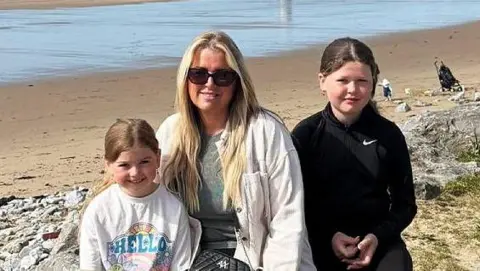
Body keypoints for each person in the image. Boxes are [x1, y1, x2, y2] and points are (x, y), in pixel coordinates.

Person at [155, 30, 316, 271]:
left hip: (256, 259)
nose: (209, 84)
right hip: (190, 258)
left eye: (222, 76)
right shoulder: (171, 132)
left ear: (237, 82)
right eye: (198, 74)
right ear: (185, 79)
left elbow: (287, 219)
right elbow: (147, 200)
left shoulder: (265, 132)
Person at [292, 37, 417, 271]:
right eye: (343, 80)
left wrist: (376, 237)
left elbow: (405, 205)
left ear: (373, 84)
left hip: (378, 239)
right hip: (319, 238)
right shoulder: (305, 135)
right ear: (323, 81)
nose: (352, 90)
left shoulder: (388, 135)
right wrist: (329, 235)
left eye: (361, 81)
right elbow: (295, 203)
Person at [79, 119, 195, 271]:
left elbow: (181, 265)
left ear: (158, 158)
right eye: (124, 165)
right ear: (108, 165)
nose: (135, 173)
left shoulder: (174, 208)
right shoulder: (99, 211)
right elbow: (90, 265)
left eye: (144, 162)